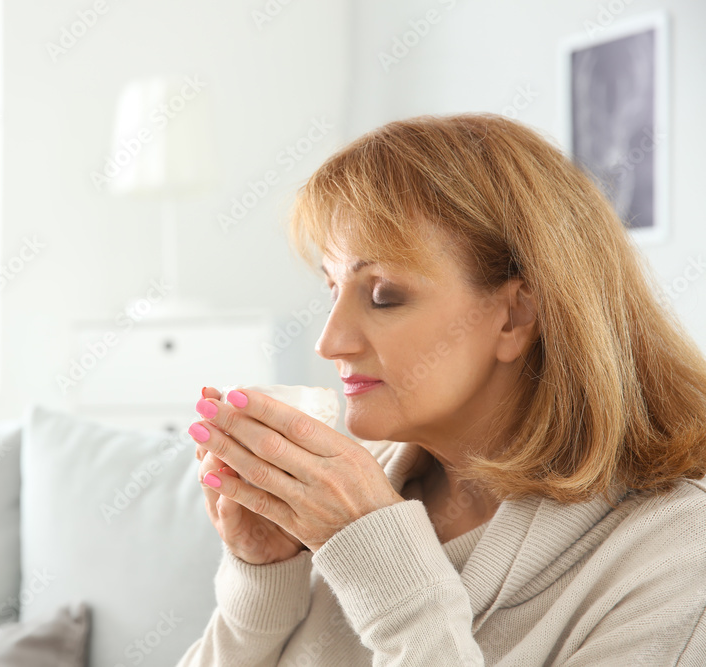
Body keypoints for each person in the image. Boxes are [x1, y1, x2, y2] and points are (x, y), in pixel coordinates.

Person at [176, 112, 706, 665]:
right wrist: (264, 582)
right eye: (332, 289)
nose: (328, 343)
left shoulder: (676, 555)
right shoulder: (351, 492)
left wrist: (388, 575)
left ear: (514, 316)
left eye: (382, 294)